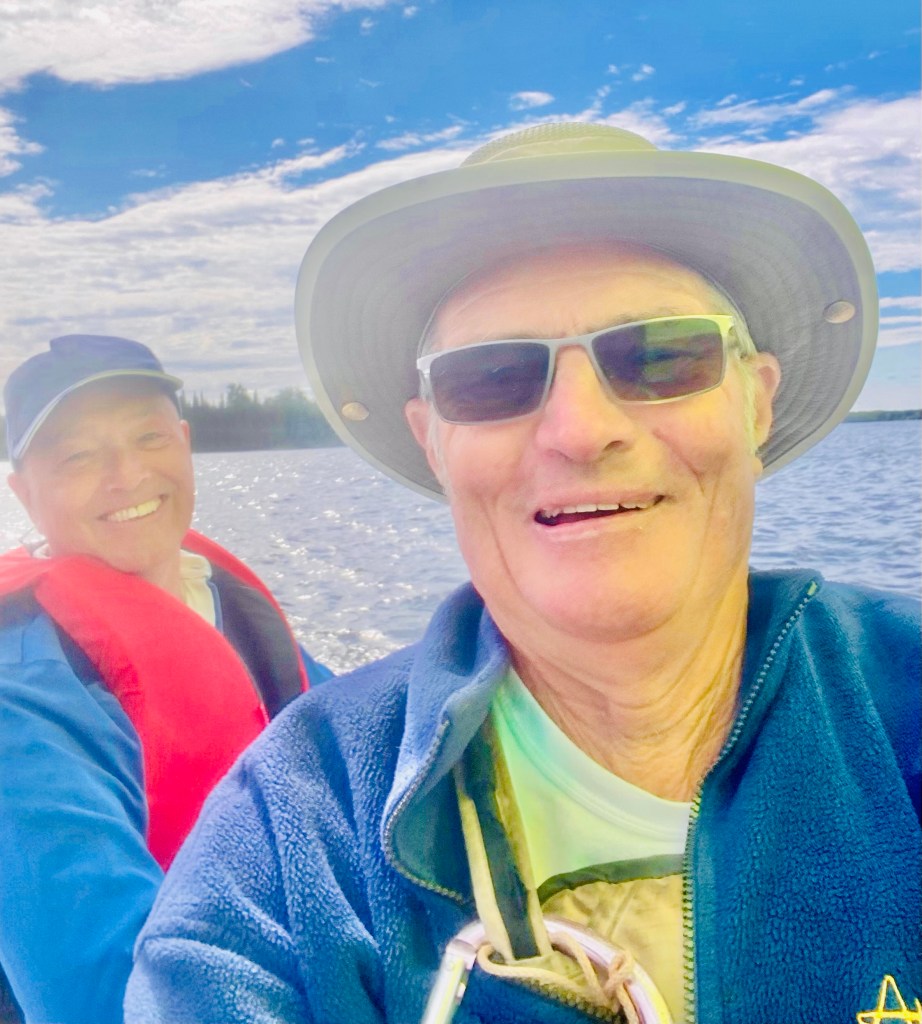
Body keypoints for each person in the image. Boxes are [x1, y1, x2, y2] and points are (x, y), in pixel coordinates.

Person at [127, 123, 920, 1024]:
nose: (582, 430)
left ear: (756, 400)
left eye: (660, 355)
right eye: (495, 377)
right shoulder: (288, 844)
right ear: (434, 441)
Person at [0, 334, 330, 1024]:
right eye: (78, 456)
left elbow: (366, 731)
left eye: (148, 437)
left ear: (183, 442)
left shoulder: (221, 601)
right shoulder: (22, 697)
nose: (127, 475)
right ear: (22, 491)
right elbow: (98, 996)